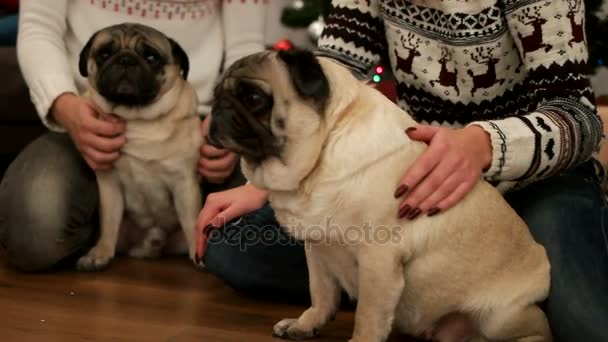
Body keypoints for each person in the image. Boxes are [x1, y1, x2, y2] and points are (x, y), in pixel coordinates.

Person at [195, 0, 608, 340]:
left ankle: (436, 288)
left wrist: (484, 143)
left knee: (587, 323)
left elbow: (581, 119)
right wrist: (268, 184)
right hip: (412, 178)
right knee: (232, 248)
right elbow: (329, 78)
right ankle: (419, 293)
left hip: (540, 179)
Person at [0, 0, 267, 271]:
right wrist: (63, 105)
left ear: (179, 67)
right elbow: (38, 26)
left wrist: (233, 118)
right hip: (82, 114)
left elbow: (246, 44)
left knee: (268, 231)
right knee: (35, 232)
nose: (126, 64)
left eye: (149, 58)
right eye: (106, 56)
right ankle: (109, 234)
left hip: (194, 120)